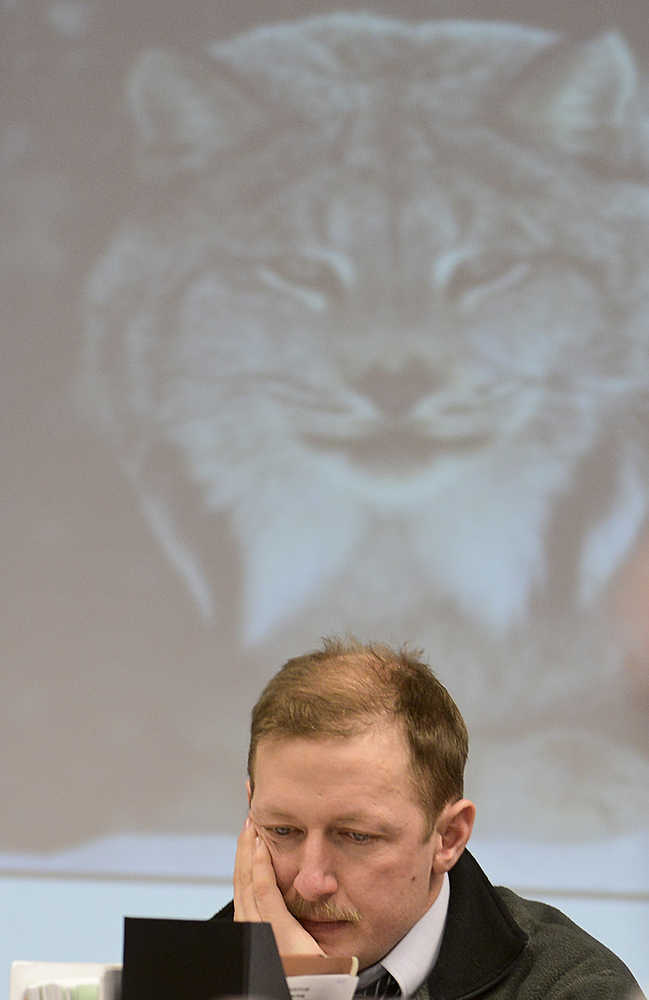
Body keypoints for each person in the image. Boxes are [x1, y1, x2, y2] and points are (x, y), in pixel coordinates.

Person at [215, 637, 644, 998]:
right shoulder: (183, 972)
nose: (311, 882)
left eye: (356, 836)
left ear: (449, 837)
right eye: (282, 830)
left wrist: (308, 992)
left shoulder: (573, 986)